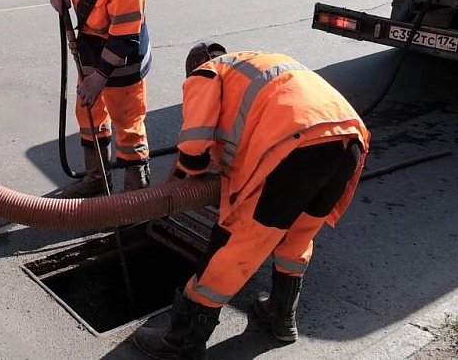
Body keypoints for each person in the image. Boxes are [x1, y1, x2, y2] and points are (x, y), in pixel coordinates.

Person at [132, 43, 370, 359]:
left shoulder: (206, 73)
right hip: (347, 141)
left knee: (235, 247)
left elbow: (194, 149)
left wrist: (186, 175)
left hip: (294, 152)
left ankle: (183, 341)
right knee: (297, 235)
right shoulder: (255, 64)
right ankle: (281, 317)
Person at [49, 0, 152, 198]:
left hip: (123, 50)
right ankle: (97, 179)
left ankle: (137, 197)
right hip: (91, 44)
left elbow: (124, 33)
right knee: (87, 110)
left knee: (127, 121)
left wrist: (100, 77)